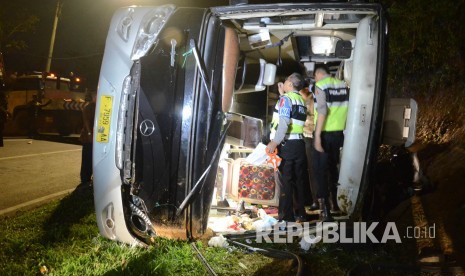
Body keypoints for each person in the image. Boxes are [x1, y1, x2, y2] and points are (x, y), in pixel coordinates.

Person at [266, 72, 309, 223]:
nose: (283, 82)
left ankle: (286, 218)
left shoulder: (286, 99)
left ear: (290, 84)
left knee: (286, 181)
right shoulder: (301, 100)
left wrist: (274, 142)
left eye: (285, 80)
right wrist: (282, 95)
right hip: (299, 145)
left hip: (287, 145)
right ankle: (300, 213)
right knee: (298, 180)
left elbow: (283, 122)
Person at [312, 66, 349, 221]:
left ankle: (325, 210)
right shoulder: (343, 86)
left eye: (315, 76)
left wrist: (318, 135)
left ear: (319, 74)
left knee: (320, 171)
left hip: (325, 132)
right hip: (339, 134)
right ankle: (336, 204)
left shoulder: (321, 86)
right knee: (334, 169)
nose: (315, 80)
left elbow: (322, 111)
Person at [299, 83, 319, 211]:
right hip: (310, 137)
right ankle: (317, 200)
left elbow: (313, 120)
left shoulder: (312, 100)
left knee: (314, 171)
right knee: (313, 171)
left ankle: (318, 201)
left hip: (312, 137)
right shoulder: (308, 99)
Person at [79, 92, 96, 186]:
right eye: (96, 96)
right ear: (93, 97)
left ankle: (88, 178)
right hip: (88, 137)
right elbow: (86, 122)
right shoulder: (89, 107)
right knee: (87, 158)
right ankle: (85, 179)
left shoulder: (97, 107)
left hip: (94, 137)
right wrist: (89, 134)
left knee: (91, 158)